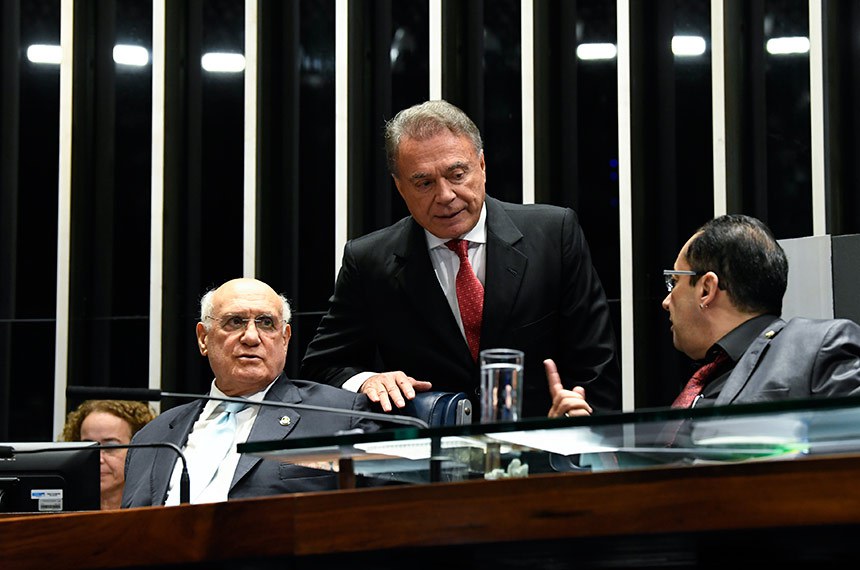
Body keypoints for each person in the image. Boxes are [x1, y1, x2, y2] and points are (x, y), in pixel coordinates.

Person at [300, 99, 621, 420]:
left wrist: (586, 437)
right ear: (400, 187)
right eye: (424, 183)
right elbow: (321, 365)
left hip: (544, 450)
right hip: (428, 458)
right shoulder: (369, 260)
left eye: (457, 174)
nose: (445, 196)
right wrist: (369, 380)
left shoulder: (553, 234)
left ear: (481, 166)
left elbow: (596, 363)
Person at [121, 278, 380, 508]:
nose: (251, 337)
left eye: (266, 323)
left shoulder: (341, 416)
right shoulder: (151, 436)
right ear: (203, 338)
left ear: (285, 338)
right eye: (235, 322)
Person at [61, 400, 156, 510]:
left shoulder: (158, 508)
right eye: (88, 446)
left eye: (110, 446)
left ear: (139, 449)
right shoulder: (62, 511)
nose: (97, 459)